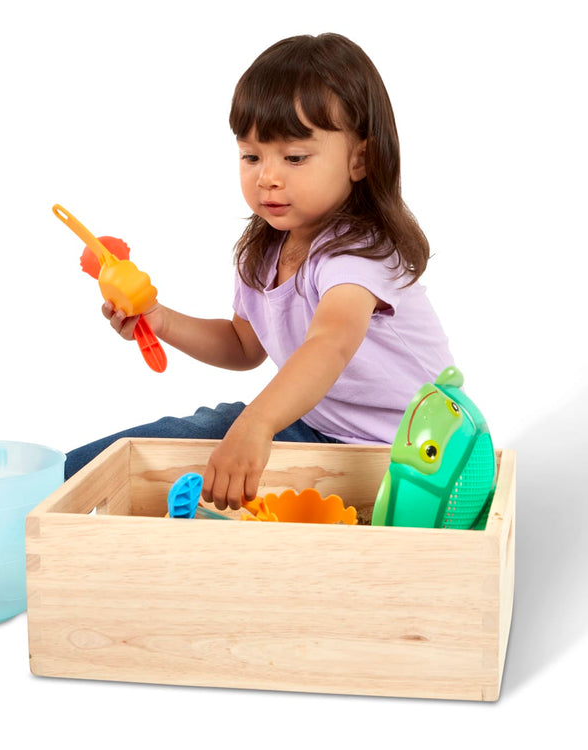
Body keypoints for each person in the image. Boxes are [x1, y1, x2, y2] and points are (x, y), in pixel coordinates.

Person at [65, 32, 454, 512]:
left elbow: (330, 343)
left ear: (360, 159)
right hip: (318, 428)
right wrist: (161, 320)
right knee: (198, 433)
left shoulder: (360, 253)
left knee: (236, 432)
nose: (267, 176)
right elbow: (245, 345)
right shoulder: (266, 250)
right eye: (252, 156)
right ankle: (52, 487)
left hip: (411, 453)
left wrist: (258, 422)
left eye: (294, 157)